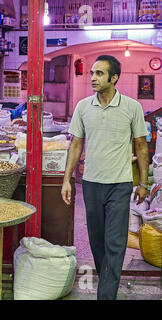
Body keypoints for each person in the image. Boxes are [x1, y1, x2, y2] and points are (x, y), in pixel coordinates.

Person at [61, 55, 149, 300]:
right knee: (97, 241)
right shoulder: (83, 107)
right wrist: (67, 179)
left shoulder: (132, 107)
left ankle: (106, 295)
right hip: (91, 183)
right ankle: (106, 281)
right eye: (92, 73)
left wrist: (144, 183)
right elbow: (76, 144)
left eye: (99, 74)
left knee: (115, 241)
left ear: (114, 78)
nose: (93, 78)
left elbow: (141, 145)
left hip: (120, 184)